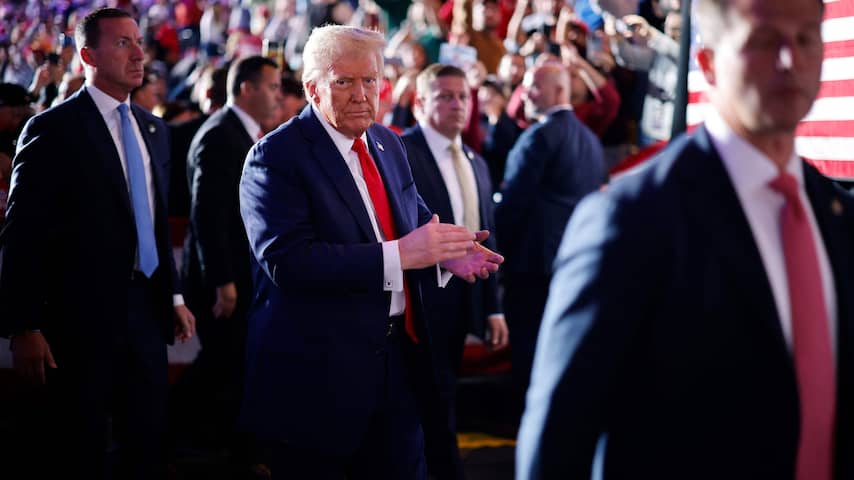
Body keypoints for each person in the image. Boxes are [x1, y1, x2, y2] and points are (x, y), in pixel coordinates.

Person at [516, 0, 854, 478]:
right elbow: (557, 441)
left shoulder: (836, 216)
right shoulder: (629, 220)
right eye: (763, 40)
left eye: (806, 38)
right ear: (708, 62)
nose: (790, 60)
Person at [238, 25, 504, 479]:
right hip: (319, 377)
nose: (362, 94)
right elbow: (289, 262)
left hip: (398, 364)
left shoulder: (388, 142)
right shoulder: (275, 156)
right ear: (312, 88)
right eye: (344, 81)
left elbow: (417, 221)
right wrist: (401, 255)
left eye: (371, 80)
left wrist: (446, 253)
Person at [0, 7, 195, 479]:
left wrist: (173, 296)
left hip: (146, 313)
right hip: (78, 320)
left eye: (139, 42)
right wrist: (24, 325)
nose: (139, 54)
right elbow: (23, 232)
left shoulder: (154, 129)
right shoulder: (52, 128)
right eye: (123, 43)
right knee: (79, 445)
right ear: (88, 55)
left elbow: (151, 221)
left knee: (146, 442)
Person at [402, 63, 509, 480]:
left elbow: (488, 236)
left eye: (463, 96)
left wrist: (493, 307)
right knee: (423, 403)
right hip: (418, 300)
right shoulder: (401, 153)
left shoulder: (475, 161)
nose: (457, 105)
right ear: (420, 102)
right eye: (445, 96)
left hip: (465, 298)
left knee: (446, 396)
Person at [178, 54, 280, 465]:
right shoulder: (221, 135)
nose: (278, 96)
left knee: (230, 364)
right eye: (272, 87)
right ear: (246, 88)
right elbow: (207, 213)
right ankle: (189, 442)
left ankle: (215, 448)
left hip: (236, 276)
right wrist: (222, 280)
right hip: (222, 280)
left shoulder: (241, 132)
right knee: (224, 363)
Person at [495, 60, 604, 416]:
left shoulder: (539, 137)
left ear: (558, 91)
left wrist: (493, 252)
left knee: (530, 351)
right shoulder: (590, 141)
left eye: (534, 86)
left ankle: (528, 423)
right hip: (573, 264)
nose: (526, 93)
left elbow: (513, 203)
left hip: (532, 266)